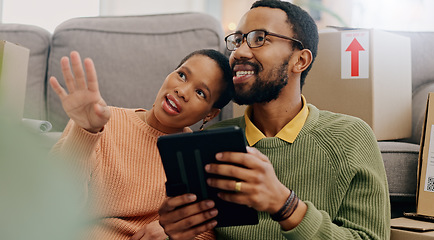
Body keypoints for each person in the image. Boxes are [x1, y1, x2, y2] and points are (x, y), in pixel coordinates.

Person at [158, 0, 390, 239]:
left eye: (260, 39)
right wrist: (175, 230)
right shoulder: (211, 142)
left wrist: (285, 205)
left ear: (300, 60)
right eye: (238, 40)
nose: (238, 52)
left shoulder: (351, 137)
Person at [49, 49, 233, 240]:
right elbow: (53, 203)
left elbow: (204, 232)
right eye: (182, 75)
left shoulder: (197, 159)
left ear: (210, 114)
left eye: (201, 92)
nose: (182, 91)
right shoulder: (96, 120)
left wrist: (173, 232)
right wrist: (85, 132)